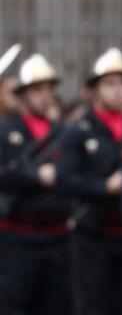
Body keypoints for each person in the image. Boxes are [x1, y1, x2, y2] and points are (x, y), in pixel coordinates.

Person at [57, 47, 122, 315]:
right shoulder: (78, 130)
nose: (117, 90)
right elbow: (65, 179)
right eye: (109, 84)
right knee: (95, 303)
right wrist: (104, 186)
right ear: (94, 90)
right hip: (93, 234)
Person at [0, 53, 71, 314]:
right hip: (18, 236)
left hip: (57, 235)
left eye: (49, 89)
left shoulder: (64, 133)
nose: (45, 95)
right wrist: (35, 176)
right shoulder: (6, 132)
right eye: (37, 89)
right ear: (23, 95)